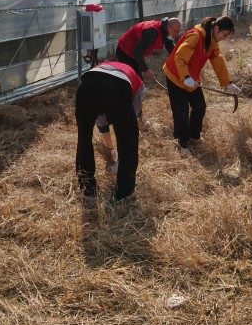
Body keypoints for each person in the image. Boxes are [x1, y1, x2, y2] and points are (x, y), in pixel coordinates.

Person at [162, 15, 241, 149]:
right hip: (175, 76)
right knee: (181, 111)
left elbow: (217, 60)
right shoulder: (196, 36)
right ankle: (182, 143)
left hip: (191, 78)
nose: (224, 38)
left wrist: (227, 82)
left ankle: (194, 135)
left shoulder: (212, 41)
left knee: (200, 106)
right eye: (224, 35)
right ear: (216, 28)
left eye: (227, 36)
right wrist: (186, 77)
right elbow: (179, 57)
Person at [75, 61, 144, 201]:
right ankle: (124, 193)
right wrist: (117, 155)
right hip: (116, 86)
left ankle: (88, 190)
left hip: (85, 86)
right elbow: (129, 127)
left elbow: (101, 119)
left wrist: (111, 148)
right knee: (128, 139)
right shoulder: (139, 85)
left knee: (84, 138)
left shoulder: (103, 67)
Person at [116, 17, 183, 81]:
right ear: (169, 27)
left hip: (133, 52)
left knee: (137, 79)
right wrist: (146, 70)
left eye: (179, 32)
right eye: (176, 31)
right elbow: (137, 52)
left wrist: (180, 58)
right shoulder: (152, 32)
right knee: (135, 79)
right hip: (124, 51)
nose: (177, 35)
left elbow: (170, 47)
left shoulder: (165, 30)